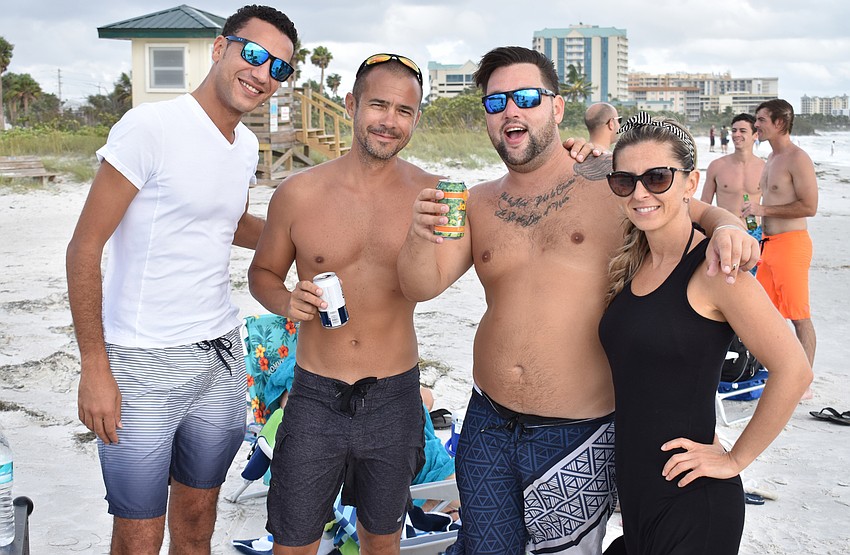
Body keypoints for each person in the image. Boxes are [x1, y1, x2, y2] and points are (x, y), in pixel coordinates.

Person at [396, 46, 759, 555]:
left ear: (557, 107)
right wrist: (418, 234)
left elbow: (690, 207)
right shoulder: (476, 202)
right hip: (487, 420)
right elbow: (420, 286)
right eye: (495, 102)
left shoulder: (612, 183)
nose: (510, 111)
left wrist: (729, 227)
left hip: (578, 430)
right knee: (485, 549)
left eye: (526, 97)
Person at [65, 6, 298, 554]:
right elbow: (84, 246)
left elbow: (229, 223)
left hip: (219, 356)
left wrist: (303, 239)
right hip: (141, 359)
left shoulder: (244, 148)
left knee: (197, 523)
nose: (263, 74)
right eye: (254, 54)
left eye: (279, 69)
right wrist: (95, 368)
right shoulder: (150, 127)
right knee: (139, 535)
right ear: (221, 49)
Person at [597, 113, 812, 554]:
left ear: (690, 182)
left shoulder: (715, 270)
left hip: (694, 506)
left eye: (658, 178)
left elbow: (794, 370)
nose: (640, 192)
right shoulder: (634, 259)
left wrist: (736, 459)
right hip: (640, 506)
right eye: (625, 181)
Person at [745, 98, 819, 399]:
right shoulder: (771, 159)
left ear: (779, 122)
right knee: (767, 316)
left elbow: (810, 206)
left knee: (799, 315)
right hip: (767, 244)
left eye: (761, 119)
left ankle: (804, 383)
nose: (756, 125)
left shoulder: (797, 158)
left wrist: (762, 210)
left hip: (792, 244)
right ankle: (783, 371)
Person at [700, 113, 765, 243]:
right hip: (725, 231)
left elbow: (772, 206)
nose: (736, 134)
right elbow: (704, 205)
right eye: (734, 130)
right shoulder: (717, 166)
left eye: (742, 131)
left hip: (754, 233)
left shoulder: (765, 168)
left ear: (755, 135)